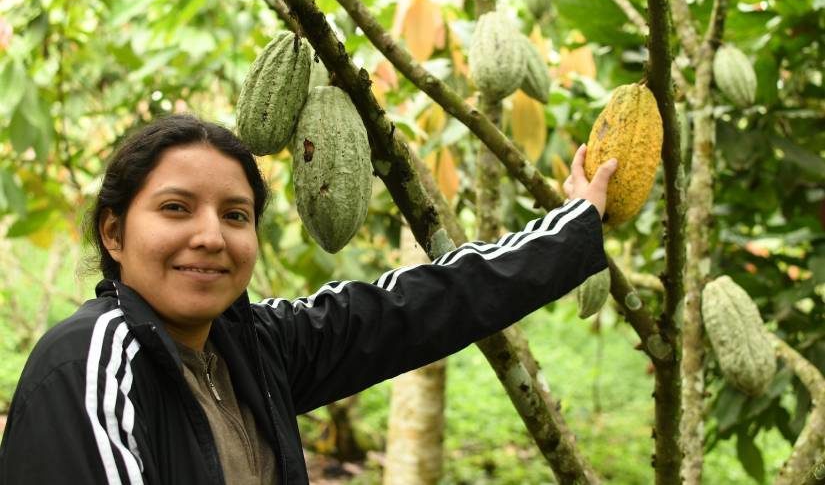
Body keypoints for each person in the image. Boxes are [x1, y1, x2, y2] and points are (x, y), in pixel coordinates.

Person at [0, 114, 616, 484]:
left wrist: (575, 225)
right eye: (175, 208)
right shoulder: (90, 365)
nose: (210, 236)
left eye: (235, 215)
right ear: (114, 233)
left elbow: (422, 306)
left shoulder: (254, 347)